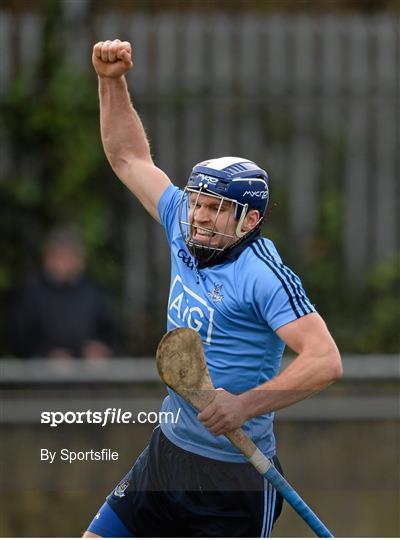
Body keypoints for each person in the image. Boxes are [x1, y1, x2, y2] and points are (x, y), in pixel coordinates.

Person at [85, 39, 342, 538]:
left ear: (250, 219)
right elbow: (127, 158)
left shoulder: (263, 275)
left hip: (235, 480)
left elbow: (325, 359)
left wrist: (244, 405)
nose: (199, 215)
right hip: (166, 454)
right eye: (199, 201)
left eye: (216, 208)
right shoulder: (180, 222)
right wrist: (111, 81)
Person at [12, 226, 116, 360]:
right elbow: (21, 336)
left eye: (72, 257)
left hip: (88, 370)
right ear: (48, 258)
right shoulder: (31, 290)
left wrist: (100, 347)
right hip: (42, 370)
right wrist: (47, 353)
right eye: (61, 257)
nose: (66, 264)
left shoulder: (94, 289)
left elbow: (109, 329)